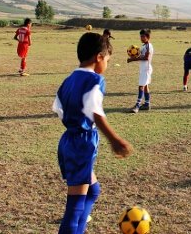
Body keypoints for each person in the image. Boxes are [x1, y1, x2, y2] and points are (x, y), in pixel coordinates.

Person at [53, 32, 132, 234]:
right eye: (107, 60)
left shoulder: (69, 79)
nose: (106, 64)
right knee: (74, 207)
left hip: (68, 141)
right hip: (81, 143)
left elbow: (59, 109)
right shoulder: (95, 80)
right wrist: (114, 139)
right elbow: (95, 112)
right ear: (98, 57)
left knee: (93, 190)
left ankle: (80, 228)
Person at [127, 29, 154, 113]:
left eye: (143, 36)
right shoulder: (143, 46)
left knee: (141, 86)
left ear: (148, 37)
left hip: (146, 69)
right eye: (141, 36)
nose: (141, 38)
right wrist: (134, 57)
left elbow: (146, 58)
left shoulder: (148, 46)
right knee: (145, 86)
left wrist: (133, 59)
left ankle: (137, 106)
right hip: (143, 68)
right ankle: (147, 104)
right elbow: (141, 56)